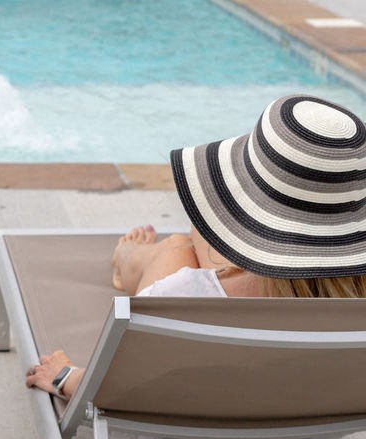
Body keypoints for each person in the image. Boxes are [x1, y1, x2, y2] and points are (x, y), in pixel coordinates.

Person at [27, 93, 366, 402]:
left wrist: (64, 376)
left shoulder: (182, 299)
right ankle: (210, 259)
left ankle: (132, 260)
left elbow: (118, 388)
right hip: (305, 429)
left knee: (176, 246)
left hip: (184, 424)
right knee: (197, 245)